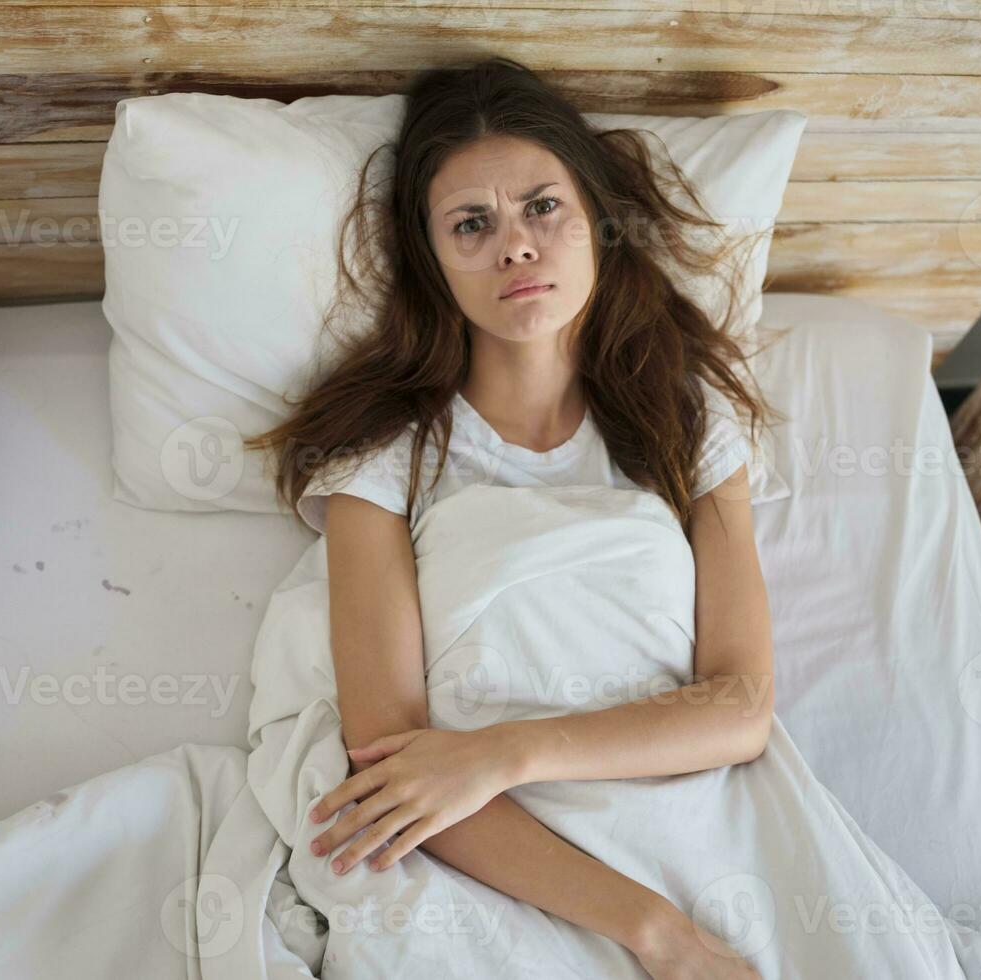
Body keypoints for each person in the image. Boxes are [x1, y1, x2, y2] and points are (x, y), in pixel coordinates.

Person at [246, 56, 780, 980]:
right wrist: (655, 933)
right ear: (431, 260)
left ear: (597, 223)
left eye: (541, 207)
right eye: (470, 224)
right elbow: (397, 772)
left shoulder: (685, 419)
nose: (516, 247)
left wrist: (506, 751)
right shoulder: (384, 448)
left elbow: (739, 709)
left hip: (670, 801)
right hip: (484, 851)